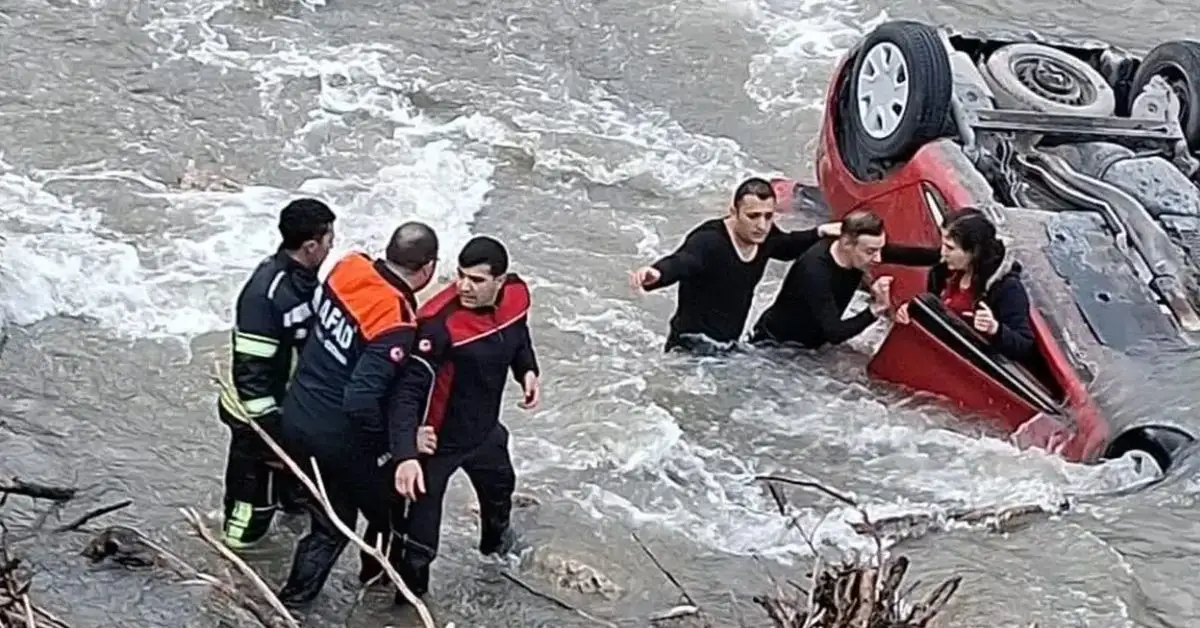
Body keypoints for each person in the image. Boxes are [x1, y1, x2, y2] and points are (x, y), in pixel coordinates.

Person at [276, 221, 440, 607]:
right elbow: (360, 401)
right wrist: (400, 445)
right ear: (428, 269)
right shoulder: (396, 321)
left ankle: (295, 602)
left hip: (298, 412)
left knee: (327, 518)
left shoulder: (349, 266)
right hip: (334, 436)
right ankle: (351, 590)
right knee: (371, 514)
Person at [386, 235, 539, 605]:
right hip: (437, 444)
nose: (464, 287)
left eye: (477, 280)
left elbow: (518, 334)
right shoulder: (437, 325)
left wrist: (528, 370)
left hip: (485, 433)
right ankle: (408, 603)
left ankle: (497, 567)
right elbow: (406, 392)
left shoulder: (518, 296)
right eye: (460, 276)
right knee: (419, 541)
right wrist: (407, 450)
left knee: (500, 496)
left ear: (500, 281)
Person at [215, 198, 336, 551]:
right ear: (311, 246)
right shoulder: (265, 295)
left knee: (297, 501)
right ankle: (230, 576)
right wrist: (271, 435)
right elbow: (250, 376)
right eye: (329, 240)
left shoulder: (304, 282)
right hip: (257, 422)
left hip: (290, 415)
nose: (332, 247)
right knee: (249, 514)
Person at [629, 177, 841, 353]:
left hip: (727, 346)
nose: (761, 225)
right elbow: (683, 261)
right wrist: (657, 273)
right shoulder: (709, 241)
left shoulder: (765, 236)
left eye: (768, 216)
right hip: (690, 346)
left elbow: (786, 246)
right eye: (753, 216)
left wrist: (819, 232)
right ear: (733, 212)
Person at [749, 209, 940, 348]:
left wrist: (947, 256)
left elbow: (908, 255)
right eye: (872, 251)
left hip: (814, 342)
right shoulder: (815, 272)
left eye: (881, 249)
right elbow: (835, 333)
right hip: (777, 346)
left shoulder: (861, 251)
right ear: (847, 243)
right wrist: (876, 309)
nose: (879, 258)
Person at [895, 209, 1035, 361]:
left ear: (974, 252)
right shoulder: (943, 271)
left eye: (950, 248)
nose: (942, 254)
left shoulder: (1006, 287)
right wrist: (913, 310)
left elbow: (1024, 344)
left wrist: (994, 328)